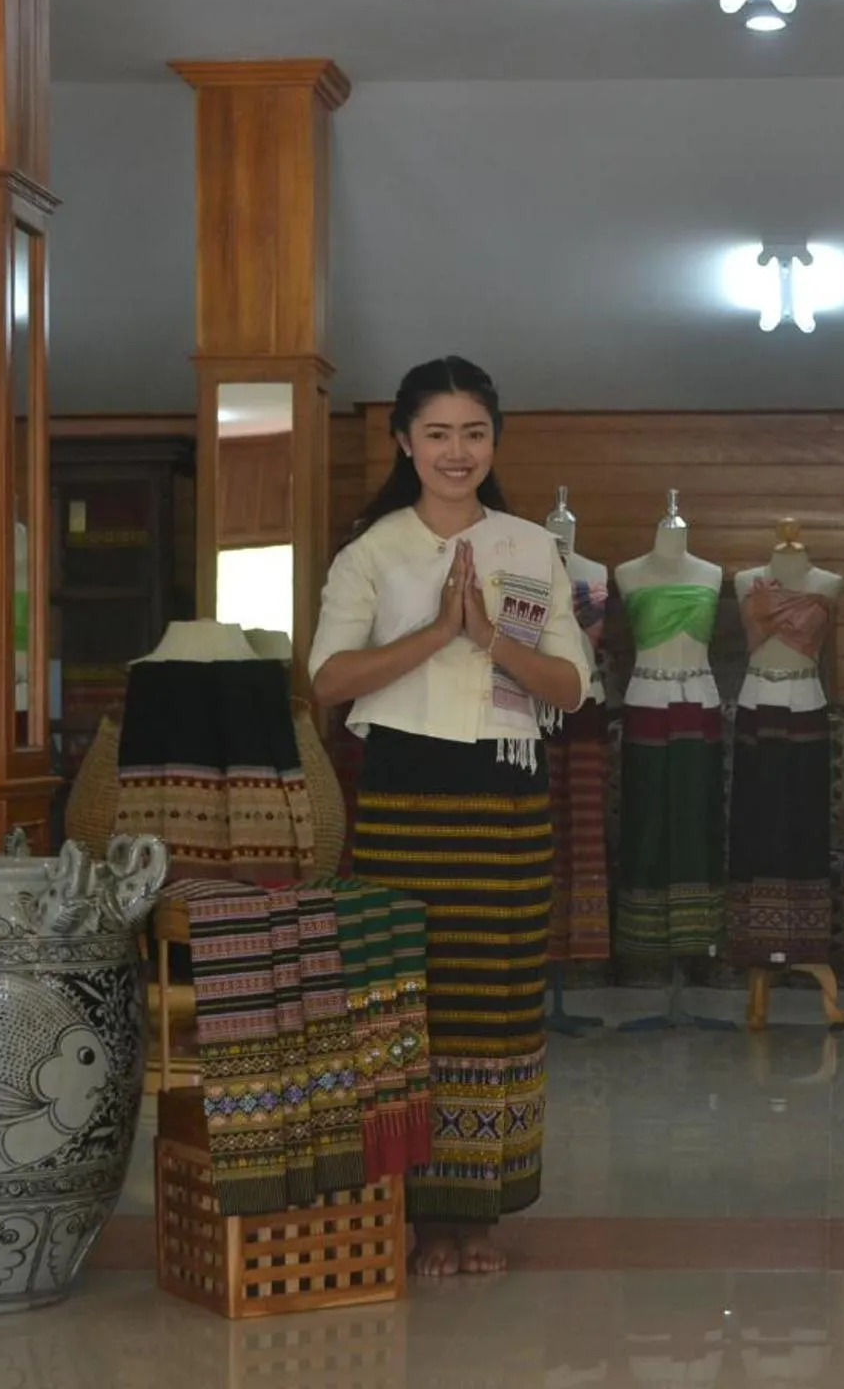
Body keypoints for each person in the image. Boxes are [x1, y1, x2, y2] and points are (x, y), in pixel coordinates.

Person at [309, 357, 590, 1277]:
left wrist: (489, 639)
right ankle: (421, 1217)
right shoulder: (374, 551)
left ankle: (481, 1215)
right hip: (404, 799)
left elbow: (572, 687)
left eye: (473, 433)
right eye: (437, 434)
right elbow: (328, 680)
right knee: (409, 1006)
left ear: (494, 442)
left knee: (496, 1006)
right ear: (404, 442)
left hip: (507, 798)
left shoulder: (529, 546)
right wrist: (432, 634)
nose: (456, 451)